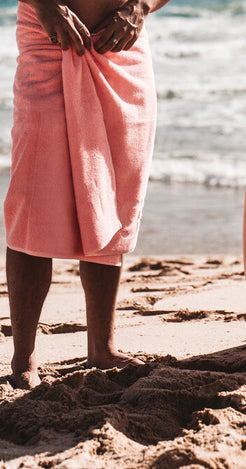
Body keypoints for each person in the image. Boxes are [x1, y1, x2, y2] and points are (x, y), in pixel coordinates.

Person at [6, 0, 169, 390]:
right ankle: (23, 355)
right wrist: (44, 5)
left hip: (121, 47)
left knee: (114, 190)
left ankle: (102, 346)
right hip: (51, 37)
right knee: (34, 197)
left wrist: (142, 7)